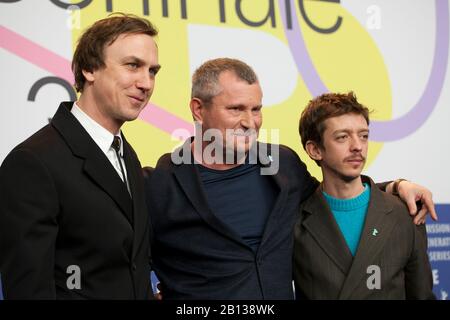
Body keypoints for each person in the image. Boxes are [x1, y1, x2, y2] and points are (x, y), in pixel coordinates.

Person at [144, 58, 436, 299]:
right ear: (198, 109)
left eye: (256, 109)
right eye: (235, 109)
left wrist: (396, 187)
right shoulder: (159, 186)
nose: (249, 122)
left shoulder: (282, 165)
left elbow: (332, 194)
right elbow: (121, 262)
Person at [0, 14, 161, 299]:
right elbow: (30, 290)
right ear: (89, 69)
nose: (146, 83)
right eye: (133, 65)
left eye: (152, 71)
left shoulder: (128, 156)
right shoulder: (33, 163)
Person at [293, 92, 435, 299]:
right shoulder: (294, 221)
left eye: (363, 136)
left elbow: (421, 295)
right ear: (315, 150)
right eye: (342, 137)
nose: (357, 146)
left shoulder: (404, 213)